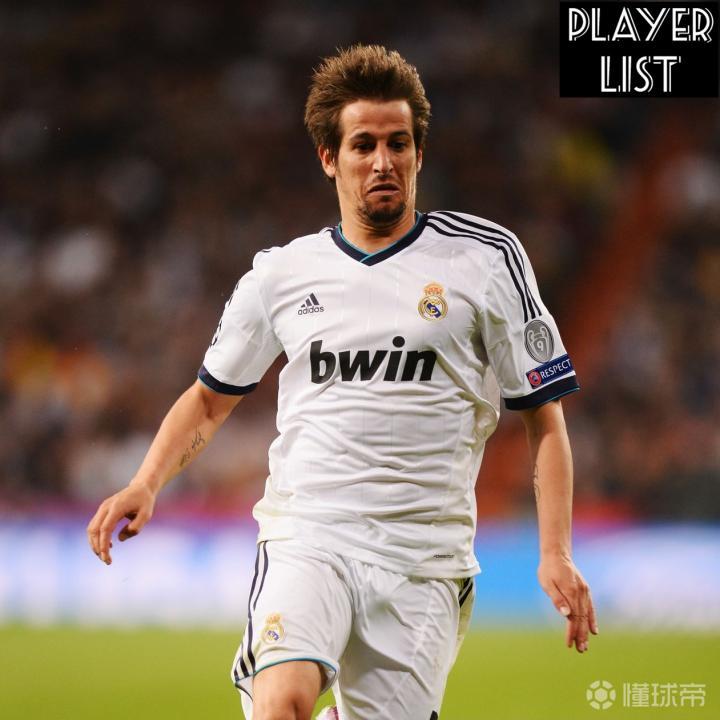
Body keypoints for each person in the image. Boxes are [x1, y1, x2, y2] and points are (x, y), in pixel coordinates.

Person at [87, 44, 597, 720]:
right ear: (330, 158)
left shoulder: (485, 260)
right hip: (310, 535)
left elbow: (544, 418)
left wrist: (555, 551)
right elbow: (209, 400)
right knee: (282, 703)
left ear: (419, 154)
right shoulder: (281, 275)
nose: (383, 161)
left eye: (398, 143)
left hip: (424, 560)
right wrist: (147, 481)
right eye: (363, 145)